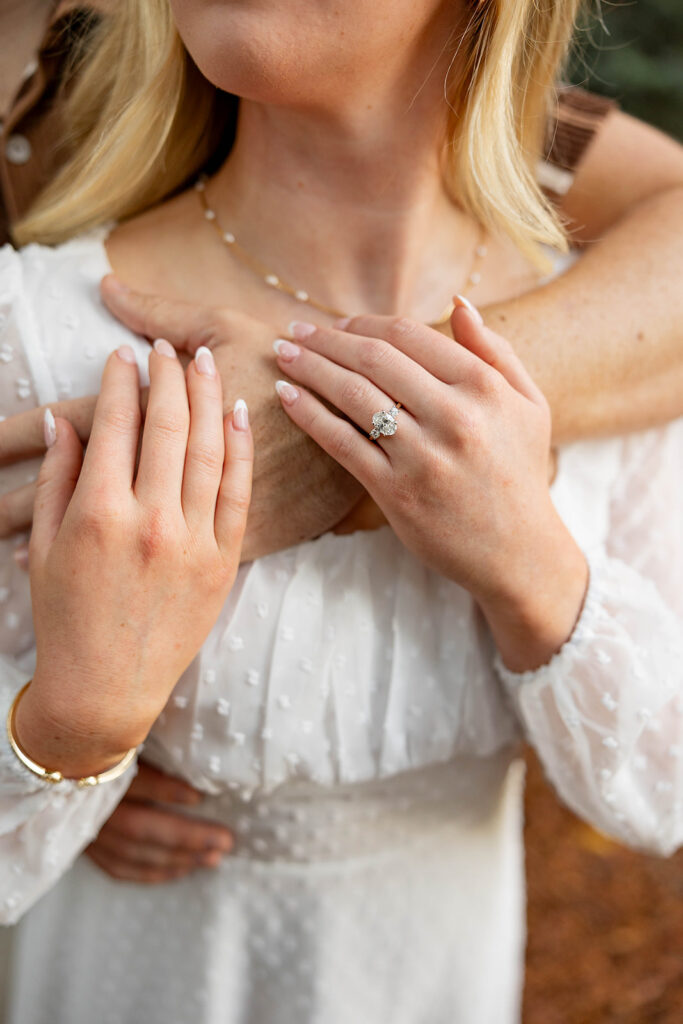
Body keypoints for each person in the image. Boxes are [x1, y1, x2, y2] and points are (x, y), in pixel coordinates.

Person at [0, 3, 682, 1024]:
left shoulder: (613, 339)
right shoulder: (37, 330)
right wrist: (70, 734)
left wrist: (534, 569)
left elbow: (656, 797)